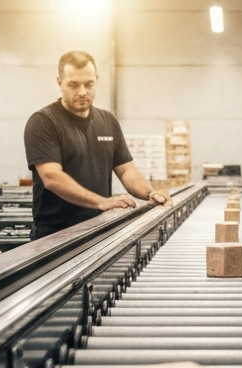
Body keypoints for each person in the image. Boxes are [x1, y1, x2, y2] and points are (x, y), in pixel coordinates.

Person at [24, 50, 169, 239]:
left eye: (89, 84)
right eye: (73, 85)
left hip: (98, 230)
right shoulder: (44, 122)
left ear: (97, 81)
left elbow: (126, 170)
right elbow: (52, 177)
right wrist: (102, 202)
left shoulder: (107, 121)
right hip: (55, 236)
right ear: (59, 83)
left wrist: (150, 194)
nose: (82, 92)